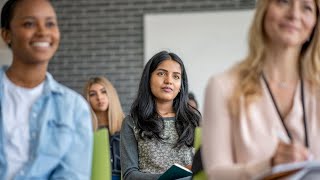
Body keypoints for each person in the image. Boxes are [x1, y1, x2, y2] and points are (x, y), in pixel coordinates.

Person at [202, 0, 320, 179]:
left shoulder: (316, 90)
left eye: (307, 7)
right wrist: (269, 166)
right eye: (284, 2)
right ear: (264, 11)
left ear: (314, 24)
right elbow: (216, 173)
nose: (294, 15)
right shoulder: (222, 87)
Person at [0, 0, 93, 179]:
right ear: (6, 35)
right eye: (29, 23)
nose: (43, 32)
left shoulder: (74, 107)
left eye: (50, 23)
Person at [120, 51, 201, 180]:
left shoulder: (194, 121)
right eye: (161, 73)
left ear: (181, 85)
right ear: (149, 79)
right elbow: (129, 175)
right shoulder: (132, 122)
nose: (168, 81)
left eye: (176, 76)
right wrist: (166, 178)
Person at [84, 76, 124, 180]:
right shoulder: (84, 130)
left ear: (111, 94)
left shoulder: (127, 127)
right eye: (92, 94)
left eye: (103, 91)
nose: (99, 97)